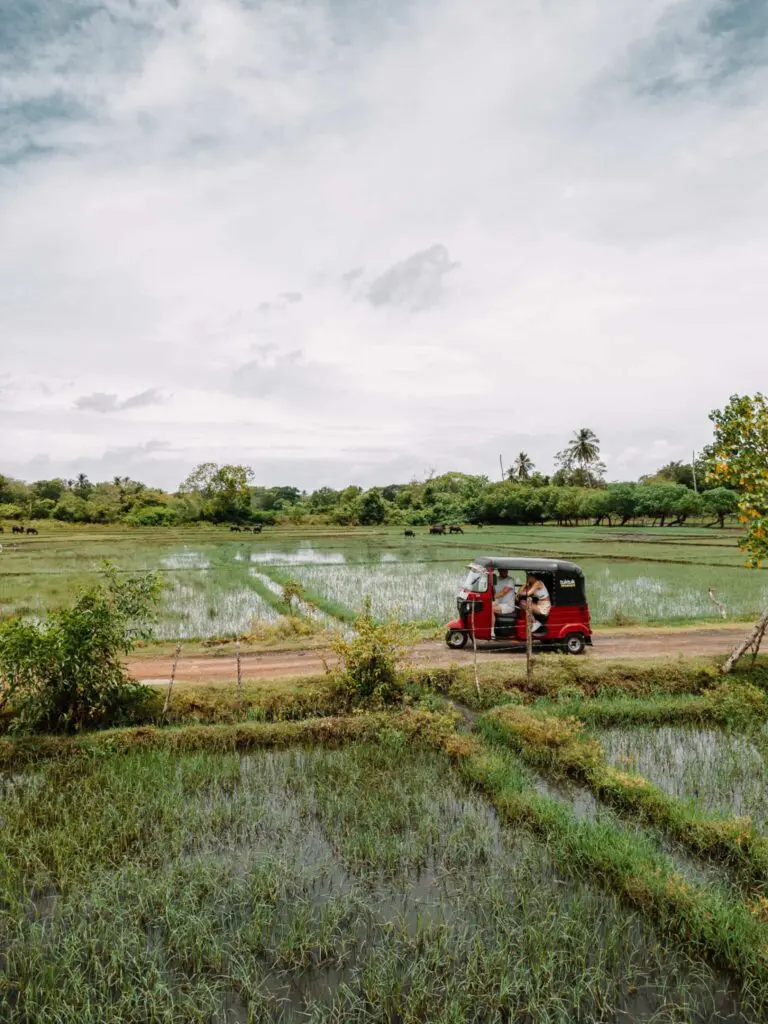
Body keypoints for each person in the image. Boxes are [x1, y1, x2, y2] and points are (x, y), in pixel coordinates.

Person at [491, 567, 516, 639]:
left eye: (506, 569)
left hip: (508, 605)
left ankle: (492, 633)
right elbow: (493, 590)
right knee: (485, 606)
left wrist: (490, 597)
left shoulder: (510, 580)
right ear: (499, 570)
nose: (505, 571)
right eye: (503, 570)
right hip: (499, 603)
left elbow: (503, 593)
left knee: (491, 609)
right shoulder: (496, 579)